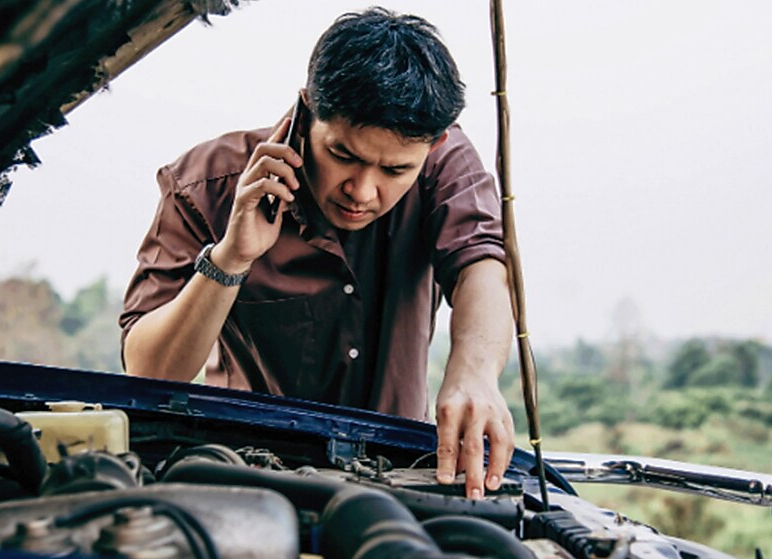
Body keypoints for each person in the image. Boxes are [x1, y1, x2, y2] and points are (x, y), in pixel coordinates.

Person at [119, 8, 514, 500]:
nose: (363, 191)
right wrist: (230, 259)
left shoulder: (445, 161)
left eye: (394, 170)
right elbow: (148, 373)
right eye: (344, 156)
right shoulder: (205, 186)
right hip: (245, 480)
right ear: (307, 111)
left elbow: (481, 262)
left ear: (433, 145)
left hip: (394, 481)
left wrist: (475, 372)